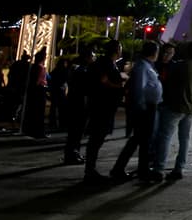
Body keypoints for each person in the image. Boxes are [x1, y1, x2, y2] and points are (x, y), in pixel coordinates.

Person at [152, 39, 192, 181]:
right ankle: (179, 168)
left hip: (175, 106)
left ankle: (159, 169)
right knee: (184, 139)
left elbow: (170, 85)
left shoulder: (180, 66)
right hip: (191, 107)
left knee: (165, 137)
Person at [110, 41, 163, 182]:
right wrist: (141, 107)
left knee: (141, 140)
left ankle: (136, 169)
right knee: (142, 140)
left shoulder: (146, 66)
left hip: (147, 107)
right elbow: (139, 88)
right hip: (145, 108)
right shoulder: (142, 66)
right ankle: (136, 171)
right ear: (153, 52)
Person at [82, 40, 125, 184]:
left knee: (97, 138)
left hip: (103, 105)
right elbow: (103, 81)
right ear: (117, 50)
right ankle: (90, 170)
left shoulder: (104, 63)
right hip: (102, 106)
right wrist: (117, 85)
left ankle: (90, 169)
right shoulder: (105, 64)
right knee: (96, 138)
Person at [62, 46, 93, 165]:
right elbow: (84, 89)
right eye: (92, 56)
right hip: (78, 104)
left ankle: (74, 152)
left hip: (75, 102)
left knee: (76, 132)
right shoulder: (82, 70)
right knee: (76, 131)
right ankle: (71, 154)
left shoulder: (77, 69)